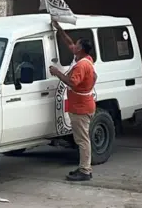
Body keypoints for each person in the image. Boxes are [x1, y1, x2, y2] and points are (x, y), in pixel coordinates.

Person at [49, 20, 97, 182]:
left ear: (80, 49)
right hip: (84, 104)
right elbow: (68, 41)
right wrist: (58, 28)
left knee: (82, 140)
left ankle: (85, 170)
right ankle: (83, 166)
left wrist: (57, 72)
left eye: (76, 45)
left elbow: (72, 82)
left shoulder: (80, 66)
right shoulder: (85, 59)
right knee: (82, 138)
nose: (73, 45)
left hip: (81, 107)